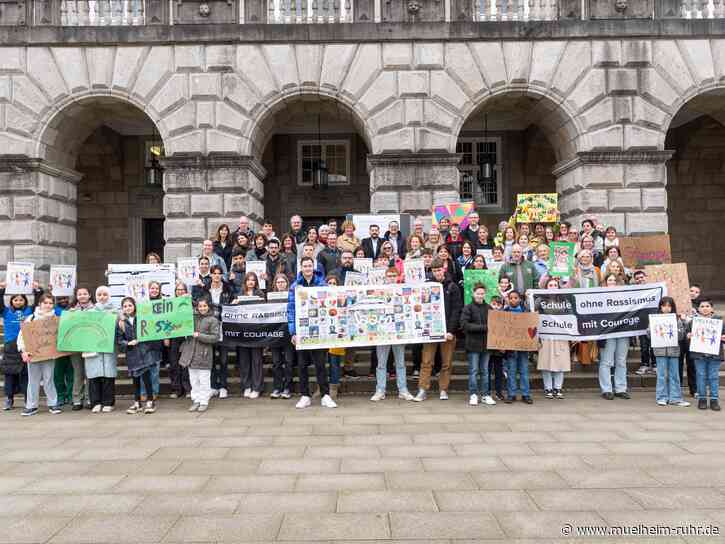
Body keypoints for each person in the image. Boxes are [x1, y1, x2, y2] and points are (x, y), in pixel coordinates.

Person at [288, 256, 337, 409]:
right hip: (302, 331)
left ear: (313, 267)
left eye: (310, 266)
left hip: (319, 331)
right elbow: (291, 310)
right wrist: (293, 332)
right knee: (302, 365)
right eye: (305, 266)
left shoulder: (322, 284)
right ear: (301, 268)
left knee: (320, 364)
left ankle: (325, 395)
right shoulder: (295, 286)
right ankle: (305, 395)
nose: (307, 269)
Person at [413, 258, 462, 402]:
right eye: (434, 271)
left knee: (446, 363)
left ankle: (443, 389)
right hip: (431, 330)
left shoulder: (452, 287)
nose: (437, 273)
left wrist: (451, 331)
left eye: (439, 270)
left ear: (444, 269)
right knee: (426, 361)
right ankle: (422, 389)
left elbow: (456, 310)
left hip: (447, 331)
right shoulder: (427, 286)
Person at [370, 267, 414, 402]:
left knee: (400, 362)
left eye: (393, 275)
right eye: (389, 276)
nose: (391, 278)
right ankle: (380, 390)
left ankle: (403, 389)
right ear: (385, 277)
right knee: (381, 363)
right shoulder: (379, 291)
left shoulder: (404, 290)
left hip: (398, 331)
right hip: (382, 332)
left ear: (398, 276)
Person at [17, 293, 63, 416]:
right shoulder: (31, 318)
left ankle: (53, 403)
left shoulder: (56, 320)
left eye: (50, 303)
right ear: (40, 304)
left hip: (49, 354)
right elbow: (22, 336)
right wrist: (23, 351)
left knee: (49, 379)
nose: (48, 305)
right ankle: (31, 406)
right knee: (33, 380)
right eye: (45, 303)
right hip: (33, 354)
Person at [0, 281, 41, 410]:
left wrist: (37, 291)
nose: (18, 302)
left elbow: (38, 303)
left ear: (25, 301)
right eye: (15, 300)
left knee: (25, 374)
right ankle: (9, 398)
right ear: (11, 301)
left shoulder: (29, 311)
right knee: (9, 373)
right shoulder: (6, 312)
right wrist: (2, 289)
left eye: (21, 300)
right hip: (10, 346)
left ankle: (27, 399)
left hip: (25, 344)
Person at [117, 297, 157, 414]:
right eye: (125, 306)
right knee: (135, 379)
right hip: (132, 353)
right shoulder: (121, 322)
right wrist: (127, 343)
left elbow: (150, 331)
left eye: (130, 305)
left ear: (134, 306)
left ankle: (150, 401)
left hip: (144, 351)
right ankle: (137, 402)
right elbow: (119, 339)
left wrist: (143, 341)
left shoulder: (142, 317)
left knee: (146, 378)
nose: (128, 308)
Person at [180, 296, 219, 412]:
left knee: (204, 380)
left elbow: (215, 337)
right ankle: (196, 400)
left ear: (208, 306)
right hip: (191, 354)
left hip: (204, 355)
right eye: (200, 306)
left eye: (204, 306)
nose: (202, 308)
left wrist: (199, 335)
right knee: (194, 380)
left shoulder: (213, 320)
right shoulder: (192, 318)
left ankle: (204, 401)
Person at [649, 296, 689, 407]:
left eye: (669, 306)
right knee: (662, 375)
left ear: (672, 307)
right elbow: (648, 334)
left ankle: (675, 398)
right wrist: (652, 329)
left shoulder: (677, 319)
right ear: (660, 307)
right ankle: (661, 397)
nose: (666, 308)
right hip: (660, 351)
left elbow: (681, 336)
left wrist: (680, 327)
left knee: (674, 375)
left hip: (673, 351)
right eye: (664, 305)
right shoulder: (655, 318)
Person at [204, 265, 237, 398]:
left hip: (223, 328)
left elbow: (233, 302)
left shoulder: (228, 289)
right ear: (210, 275)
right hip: (209, 328)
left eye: (219, 273)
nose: (217, 276)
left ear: (222, 275)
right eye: (214, 273)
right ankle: (213, 386)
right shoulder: (205, 289)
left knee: (223, 360)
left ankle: (223, 386)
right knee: (211, 360)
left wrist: (235, 302)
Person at [460, 283, 495, 406]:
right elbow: (464, 325)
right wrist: (484, 328)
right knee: (474, 371)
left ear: (485, 294)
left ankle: (485, 395)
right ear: (473, 294)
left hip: (486, 345)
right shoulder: (468, 308)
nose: (480, 295)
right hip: (473, 345)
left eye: (482, 293)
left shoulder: (489, 308)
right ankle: (473, 394)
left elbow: (495, 325)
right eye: (478, 293)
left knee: (485, 371)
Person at [84, 286, 118, 413]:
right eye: (99, 294)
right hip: (93, 348)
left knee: (108, 375)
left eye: (105, 294)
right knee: (94, 375)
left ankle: (108, 402)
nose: (102, 297)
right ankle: (96, 402)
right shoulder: (89, 311)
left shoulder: (115, 312)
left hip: (109, 348)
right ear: (96, 296)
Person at [536, 278, 570, 399]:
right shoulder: (540, 300)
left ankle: (558, 387)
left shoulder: (564, 300)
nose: (553, 287)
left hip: (560, 335)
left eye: (555, 285)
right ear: (546, 287)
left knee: (560, 362)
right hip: (546, 335)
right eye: (550, 285)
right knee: (546, 362)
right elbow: (532, 311)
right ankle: (548, 388)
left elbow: (570, 315)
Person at [598, 273, 630, 400]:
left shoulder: (625, 297)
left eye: (614, 280)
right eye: (609, 280)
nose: (612, 282)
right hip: (607, 333)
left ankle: (620, 389)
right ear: (605, 282)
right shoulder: (598, 296)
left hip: (623, 331)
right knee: (606, 361)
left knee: (621, 361)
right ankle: (606, 389)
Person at [688, 297, 723, 411]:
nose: (705, 308)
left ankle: (714, 399)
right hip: (699, 354)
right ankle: (702, 399)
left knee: (713, 377)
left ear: (712, 308)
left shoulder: (719, 321)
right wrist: (689, 336)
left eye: (707, 306)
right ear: (698, 309)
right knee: (701, 376)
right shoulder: (693, 322)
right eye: (702, 306)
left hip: (715, 355)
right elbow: (687, 335)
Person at [238, 272, 266, 399]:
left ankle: (257, 387)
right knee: (244, 361)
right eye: (248, 280)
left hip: (256, 332)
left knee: (256, 360)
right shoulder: (239, 294)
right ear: (245, 282)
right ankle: (247, 386)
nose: (250, 282)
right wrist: (234, 303)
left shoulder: (260, 294)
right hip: (243, 332)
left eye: (253, 280)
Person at [503, 290, 533, 404]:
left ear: (520, 299)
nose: (513, 300)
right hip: (510, 348)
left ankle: (526, 394)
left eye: (515, 298)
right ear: (508, 299)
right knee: (511, 372)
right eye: (511, 298)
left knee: (524, 371)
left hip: (523, 348)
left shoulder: (526, 312)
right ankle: (511, 394)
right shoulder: (504, 312)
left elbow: (532, 326)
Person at [69, 286, 95, 410]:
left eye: (85, 293)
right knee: (78, 373)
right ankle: (77, 400)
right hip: (75, 346)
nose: (82, 296)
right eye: (80, 294)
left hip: (90, 345)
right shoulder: (71, 311)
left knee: (89, 373)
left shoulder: (96, 310)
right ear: (76, 296)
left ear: (89, 295)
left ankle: (89, 398)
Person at [269, 274, 294, 400]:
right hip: (275, 334)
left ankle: (287, 388)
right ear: (275, 284)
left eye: (283, 282)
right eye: (278, 282)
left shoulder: (292, 296)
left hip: (288, 334)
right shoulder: (270, 297)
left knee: (289, 362)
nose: (280, 284)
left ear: (287, 283)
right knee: (276, 363)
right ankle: (277, 387)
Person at [168, 281, 192, 399]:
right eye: (178, 290)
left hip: (186, 337)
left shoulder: (190, 302)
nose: (180, 292)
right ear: (175, 292)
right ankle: (177, 389)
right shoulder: (170, 304)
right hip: (174, 336)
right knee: (174, 363)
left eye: (182, 290)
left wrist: (190, 300)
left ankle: (188, 389)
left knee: (186, 364)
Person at [633, 270, 656, 376]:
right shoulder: (633, 291)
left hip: (654, 321)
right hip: (641, 321)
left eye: (641, 277)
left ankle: (655, 365)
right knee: (643, 346)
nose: (640, 280)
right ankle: (645, 364)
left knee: (654, 345)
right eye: (637, 278)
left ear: (646, 277)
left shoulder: (654, 289)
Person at [52, 293, 73, 407]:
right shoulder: (53, 310)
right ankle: (60, 395)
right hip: (57, 346)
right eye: (60, 299)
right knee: (58, 374)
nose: (63, 300)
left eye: (65, 298)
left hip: (71, 345)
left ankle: (70, 395)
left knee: (71, 373)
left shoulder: (73, 309)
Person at [487, 296, 506, 400]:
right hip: (488, 349)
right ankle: (488, 391)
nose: (496, 307)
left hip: (499, 349)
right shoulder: (486, 315)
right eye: (494, 304)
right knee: (487, 371)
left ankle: (499, 392)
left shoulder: (504, 317)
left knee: (499, 372)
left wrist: (504, 346)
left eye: (499, 305)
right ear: (490, 304)